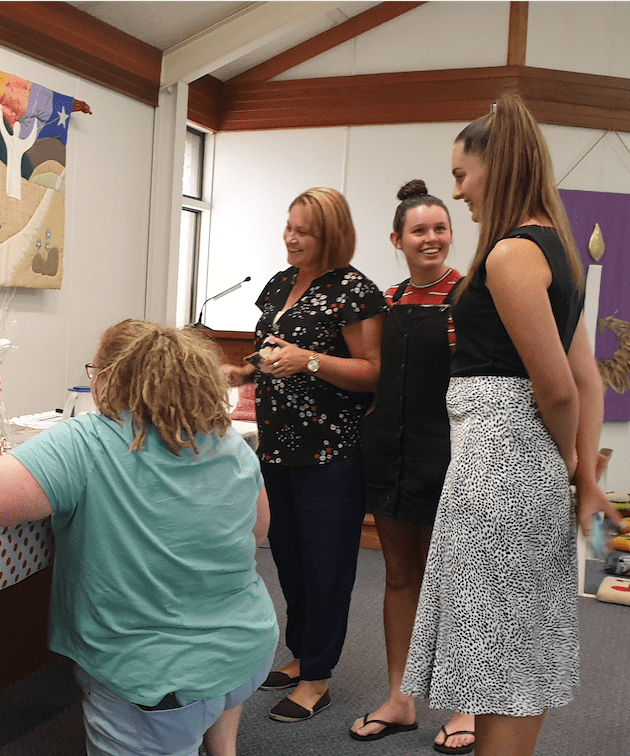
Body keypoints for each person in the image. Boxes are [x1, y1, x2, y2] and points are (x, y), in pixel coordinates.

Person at [400, 94, 620, 756]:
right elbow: (587, 379)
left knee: (499, 659)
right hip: (521, 467)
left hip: (502, 467)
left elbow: (560, 388)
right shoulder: (557, 250)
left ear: (495, 167)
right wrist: (579, 475)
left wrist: (571, 464)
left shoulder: (511, 254)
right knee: (519, 652)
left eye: (461, 174)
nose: (456, 190)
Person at [0, 320, 277, 756]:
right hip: (246, 647)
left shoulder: (91, 437)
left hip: (155, 680)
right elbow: (257, 532)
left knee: (176, 715)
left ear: (109, 378)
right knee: (211, 693)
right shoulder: (227, 440)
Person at [224, 187, 386, 723]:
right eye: (289, 227)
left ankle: (318, 677)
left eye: (305, 231)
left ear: (331, 235)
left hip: (331, 453)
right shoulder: (280, 283)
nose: (292, 238)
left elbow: (373, 371)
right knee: (289, 561)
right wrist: (242, 371)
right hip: (278, 448)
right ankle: (300, 655)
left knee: (326, 568)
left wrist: (310, 361)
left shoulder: (355, 291)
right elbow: (271, 351)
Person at [348, 180, 475, 753]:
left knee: (458, 582)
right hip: (392, 456)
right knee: (400, 577)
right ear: (397, 239)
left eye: (440, 228)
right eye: (419, 230)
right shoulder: (389, 301)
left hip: (452, 457)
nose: (431, 238)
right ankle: (400, 699)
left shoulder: (469, 296)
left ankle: (467, 706)